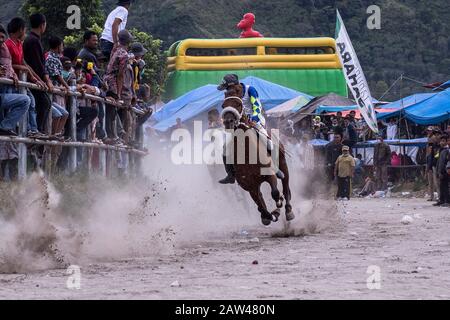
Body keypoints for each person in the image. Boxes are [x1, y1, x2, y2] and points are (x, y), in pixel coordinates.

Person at [217, 73, 282, 184]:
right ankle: (230, 175)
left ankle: (275, 167)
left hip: (254, 120)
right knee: (225, 148)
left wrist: (254, 117)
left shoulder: (249, 90)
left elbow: (257, 105)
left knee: (268, 142)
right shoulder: (229, 95)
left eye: (227, 87)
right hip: (238, 122)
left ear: (233, 85)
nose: (227, 90)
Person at [5, 17, 46, 138]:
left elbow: (24, 63)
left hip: (21, 79)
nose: (25, 32)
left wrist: (34, 78)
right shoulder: (8, 44)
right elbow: (8, 64)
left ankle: (33, 129)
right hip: (13, 81)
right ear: (20, 29)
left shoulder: (18, 44)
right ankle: (26, 128)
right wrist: (23, 69)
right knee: (26, 102)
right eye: (24, 29)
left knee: (31, 102)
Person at [23, 13, 53, 133]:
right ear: (42, 25)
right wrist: (45, 80)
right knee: (44, 103)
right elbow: (38, 65)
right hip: (34, 79)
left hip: (34, 78)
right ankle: (37, 132)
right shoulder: (33, 41)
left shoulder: (32, 39)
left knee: (44, 103)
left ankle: (38, 131)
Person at [103, 29, 133, 145]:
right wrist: (119, 94)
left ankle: (112, 135)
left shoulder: (115, 49)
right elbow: (120, 75)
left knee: (109, 110)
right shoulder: (124, 55)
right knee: (112, 110)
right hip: (113, 83)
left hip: (107, 79)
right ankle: (112, 136)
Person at [0, 23, 31, 136]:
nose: (1, 40)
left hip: (5, 90)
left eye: (2, 37)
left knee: (25, 100)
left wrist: (13, 74)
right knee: (26, 100)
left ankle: (5, 127)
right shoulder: (8, 45)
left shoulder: (5, 47)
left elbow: (9, 65)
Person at [45, 36, 70, 138]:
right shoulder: (51, 58)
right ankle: (53, 136)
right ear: (58, 46)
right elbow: (57, 75)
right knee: (57, 114)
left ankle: (57, 135)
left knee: (65, 113)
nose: (63, 47)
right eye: (62, 45)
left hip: (56, 89)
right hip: (51, 91)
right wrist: (66, 86)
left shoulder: (56, 58)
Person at [434, 135, 450, 207]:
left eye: (443, 141)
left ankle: (447, 201)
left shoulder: (447, 150)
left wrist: (443, 171)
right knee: (441, 186)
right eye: (441, 141)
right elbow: (439, 162)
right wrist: (438, 171)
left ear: (447, 142)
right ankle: (442, 200)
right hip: (440, 170)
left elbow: (445, 162)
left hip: (445, 171)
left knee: (445, 186)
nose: (441, 142)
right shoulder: (441, 150)